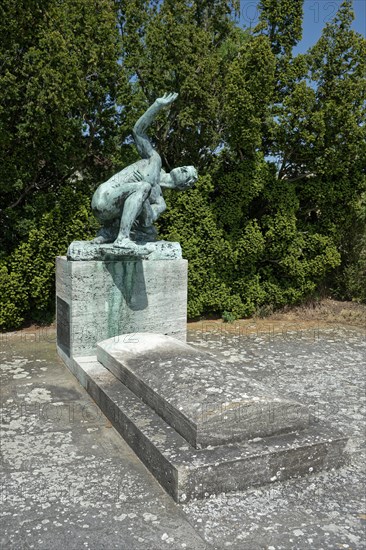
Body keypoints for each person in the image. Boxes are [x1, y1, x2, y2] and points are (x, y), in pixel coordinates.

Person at [91, 92, 197, 248]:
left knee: (148, 225)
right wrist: (157, 105)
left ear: (183, 186)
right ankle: (122, 238)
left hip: (111, 213)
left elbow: (147, 221)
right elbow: (138, 131)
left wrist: (144, 201)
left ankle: (111, 234)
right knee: (144, 187)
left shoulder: (160, 203)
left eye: (186, 173)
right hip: (103, 198)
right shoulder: (154, 160)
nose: (183, 168)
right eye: (185, 167)